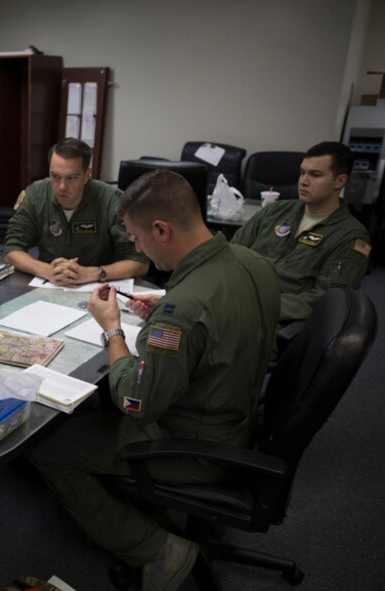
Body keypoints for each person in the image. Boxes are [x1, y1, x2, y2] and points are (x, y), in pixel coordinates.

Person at [31, 170, 280, 591]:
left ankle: (156, 549)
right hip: (237, 415)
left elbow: (135, 402)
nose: (137, 248)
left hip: (196, 445)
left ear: (162, 229)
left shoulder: (182, 310)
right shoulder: (253, 262)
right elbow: (223, 327)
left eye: (138, 238)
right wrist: (166, 308)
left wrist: (113, 330)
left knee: (49, 448)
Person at [231, 141, 371, 324]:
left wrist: (255, 307)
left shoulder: (351, 236)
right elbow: (231, 252)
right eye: (302, 173)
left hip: (272, 322)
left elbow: (325, 299)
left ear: (340, 181)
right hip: (233, 301)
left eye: (315, 175)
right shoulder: (275, 211)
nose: (303, 181)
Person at [3, 138, 149, 287]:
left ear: (87, 175)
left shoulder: (112, 201)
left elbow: (140, 262)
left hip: (97, 286)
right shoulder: (35, 194)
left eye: (71, 178)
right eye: (55, 176)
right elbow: (12, 250)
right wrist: (48, 271)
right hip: (49, 284)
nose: (62, 186)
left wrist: (91, 273)